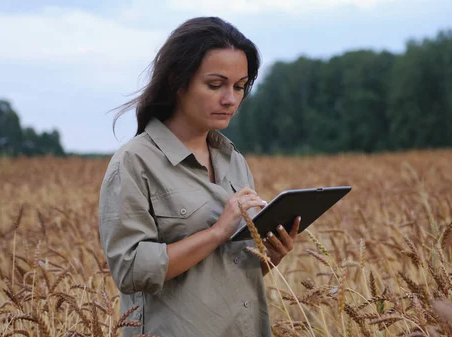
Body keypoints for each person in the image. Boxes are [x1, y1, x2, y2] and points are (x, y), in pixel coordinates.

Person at [98, 16, 301, 337]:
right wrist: (218, 231)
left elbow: (225, 270)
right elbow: (130, 270)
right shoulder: (135, 162)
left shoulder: (233, 159)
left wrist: (270, 257)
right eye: (215, 85)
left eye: (239, 86)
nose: (230, 99)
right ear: (178, 82)